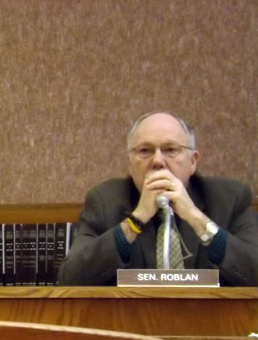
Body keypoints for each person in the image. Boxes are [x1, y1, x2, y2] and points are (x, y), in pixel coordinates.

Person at [59, 112, 258, 286]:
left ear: (192, 162)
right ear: (130, 163)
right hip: (130, 324)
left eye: (171, 150)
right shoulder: (104, 201)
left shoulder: (230, 199)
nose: (157, 161)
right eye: (145, 151)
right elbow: (69, 279)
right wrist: (136, 221)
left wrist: (195, 217)